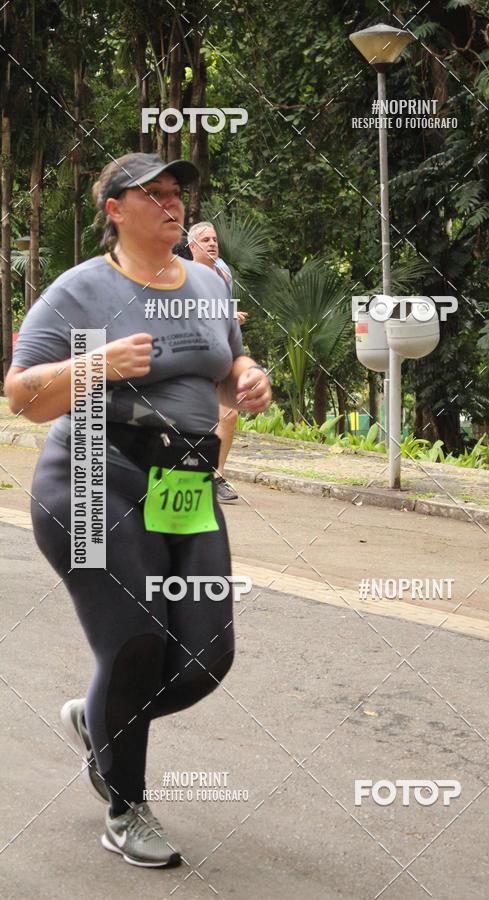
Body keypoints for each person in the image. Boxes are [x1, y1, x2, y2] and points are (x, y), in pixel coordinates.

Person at [4, 152, 271, 868]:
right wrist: (94, 366)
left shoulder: (210, 283)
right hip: (92, 473)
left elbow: (228, 361)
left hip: (185, 483)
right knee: (134, 648)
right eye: (150, 194)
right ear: (115, 209)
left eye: (175, 192)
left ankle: (100, 719)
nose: (170, 203)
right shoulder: (81, 289)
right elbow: (22, 395)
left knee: (206, 657)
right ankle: (126, 807)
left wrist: (248, 379)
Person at [187, 221, 250, 503]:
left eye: (214, 239)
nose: (212, 243)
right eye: (205, 240)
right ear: (192, 247)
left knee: (229, 413)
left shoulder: (223, 271)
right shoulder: (181, 275)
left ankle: (215, 475)